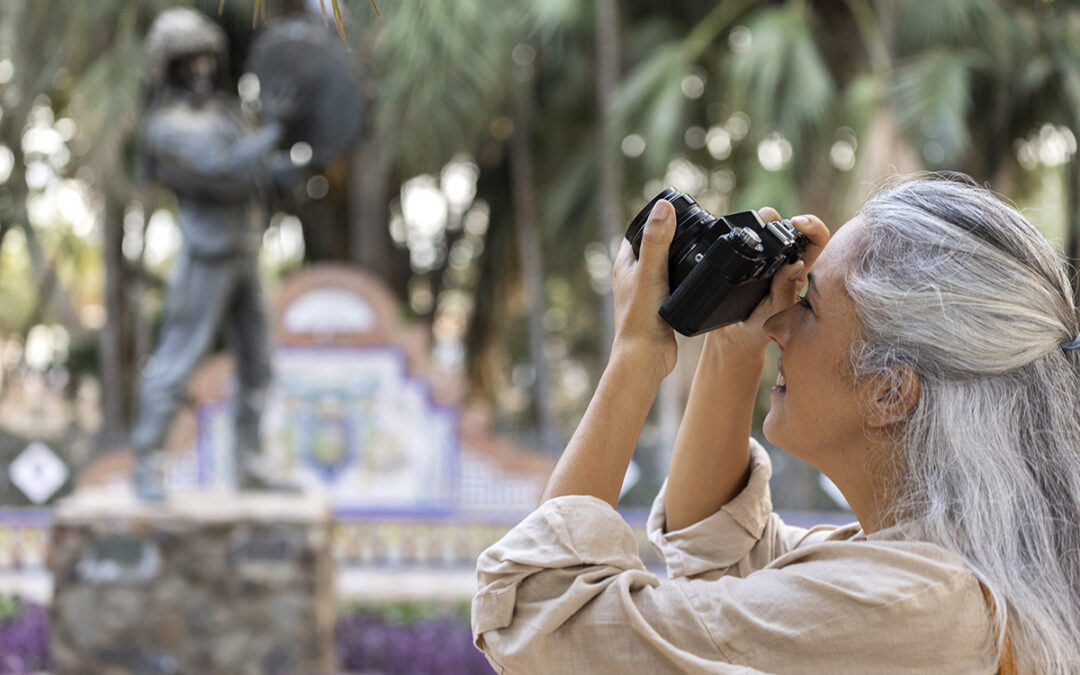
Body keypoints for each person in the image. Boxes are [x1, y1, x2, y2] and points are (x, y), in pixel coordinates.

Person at [472, 174, 1080, 673]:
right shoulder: (950, 575)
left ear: (890, 390)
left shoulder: (912, 606)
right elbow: (717, 551)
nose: (778, 325)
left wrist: (635, 356)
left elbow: (538, 618)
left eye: (809, 305)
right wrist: (736, 341)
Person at [131, 8, 299, 500]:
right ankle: (147, 463)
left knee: (258, 365)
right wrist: (273, 132)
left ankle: (248, 464)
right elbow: (222, 167)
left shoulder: (227, 111)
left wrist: (285, 166)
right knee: (177, 361)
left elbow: (256, 170)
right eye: (189, 60)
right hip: (206, 257)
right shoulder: (166, 126)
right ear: (170, 67)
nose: (201, 68)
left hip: (247, 251)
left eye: (207, 57)